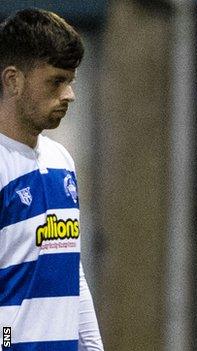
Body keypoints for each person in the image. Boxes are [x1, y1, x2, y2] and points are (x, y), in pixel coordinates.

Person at [0, 8, 103, 351]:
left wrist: (92, 346)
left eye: (71, 80)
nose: (70, 94)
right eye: (56, 81)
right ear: (13, 80)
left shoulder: (62, 161)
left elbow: (71, 270)